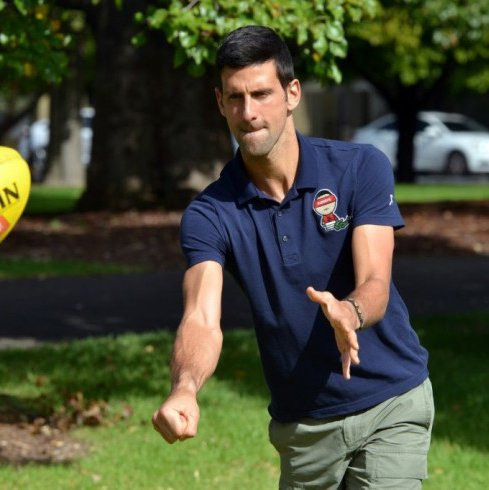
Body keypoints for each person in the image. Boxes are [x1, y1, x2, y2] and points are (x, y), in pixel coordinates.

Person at [152, 25, 434, 489]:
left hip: (392, 400)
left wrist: (349, 311)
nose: (249, 113)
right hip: (303, 424)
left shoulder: (360, 167)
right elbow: (201, 318)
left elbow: (376, 283)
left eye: (261, 94)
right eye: (235, 98)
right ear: (219, 102)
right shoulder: (210, 213)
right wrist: (185, 387)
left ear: (292, 93)